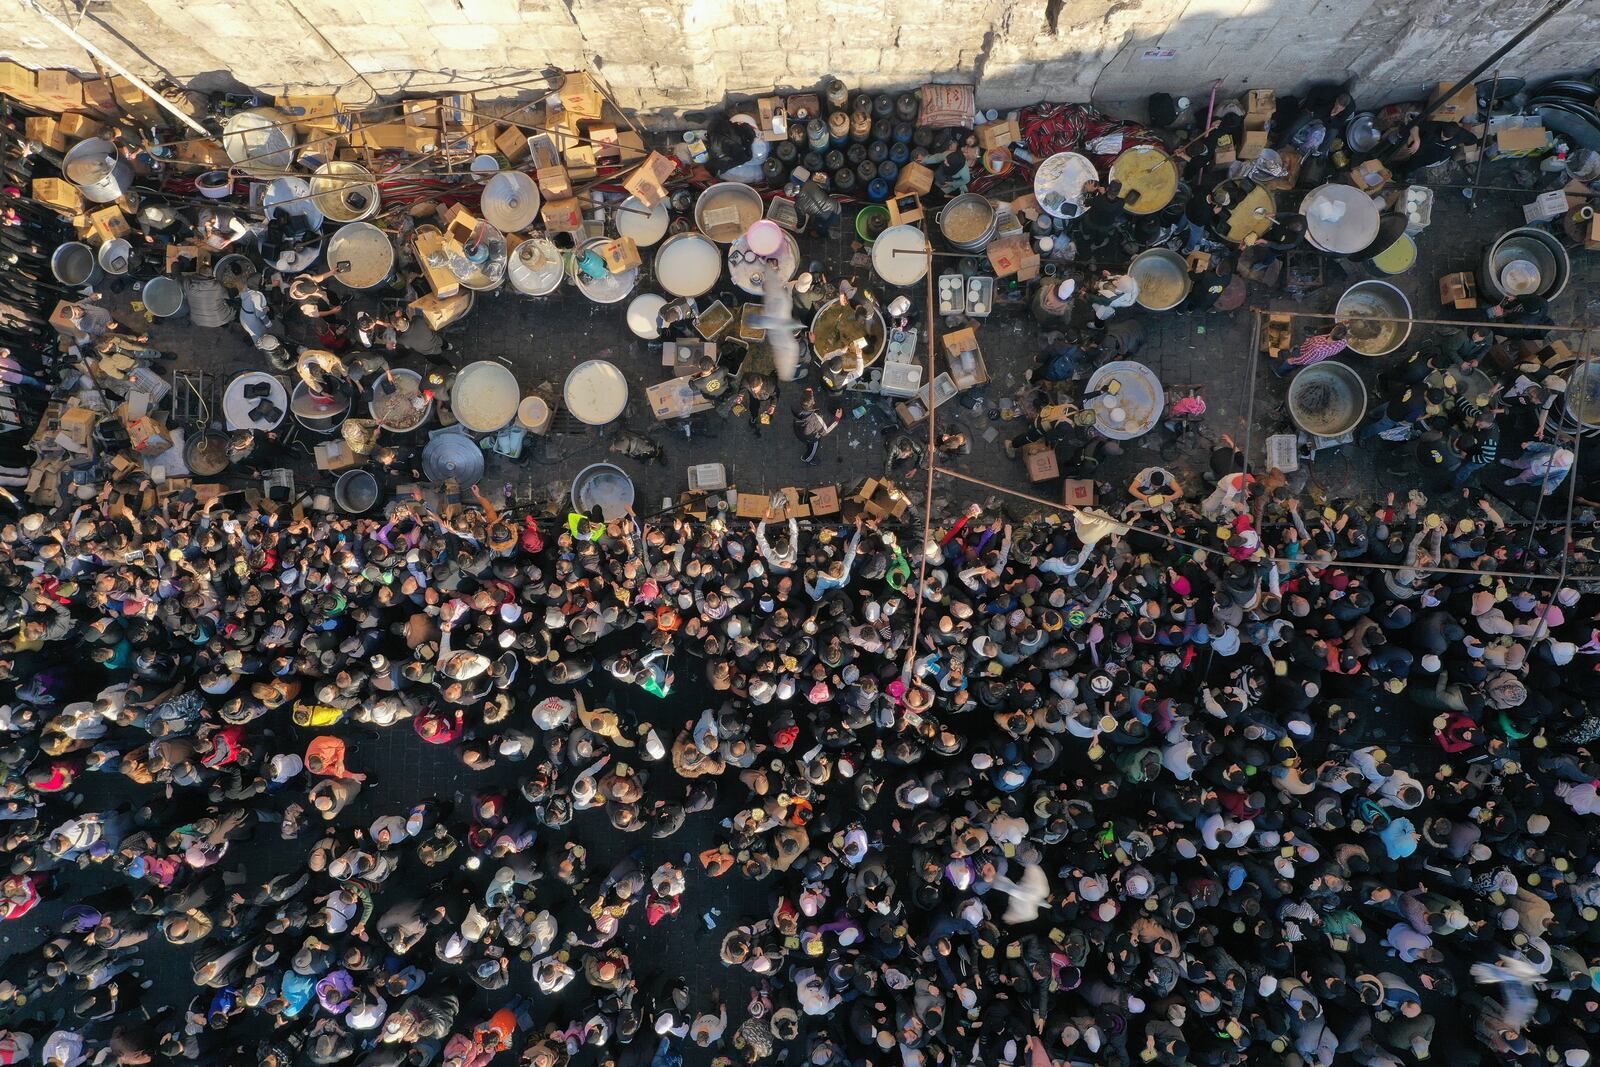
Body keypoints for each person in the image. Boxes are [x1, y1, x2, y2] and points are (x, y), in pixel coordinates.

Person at [1278, 322, 1350, 375]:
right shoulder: (1343, 341)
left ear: (1332, 332)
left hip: (1305, 354)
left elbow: (1305, 359)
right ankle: (1296, 358)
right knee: (1300, 349)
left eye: (1334, 328)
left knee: (1289, 362)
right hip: (1310, 350)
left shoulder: (1317, 349)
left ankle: (1280, 373)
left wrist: (1293, 361)